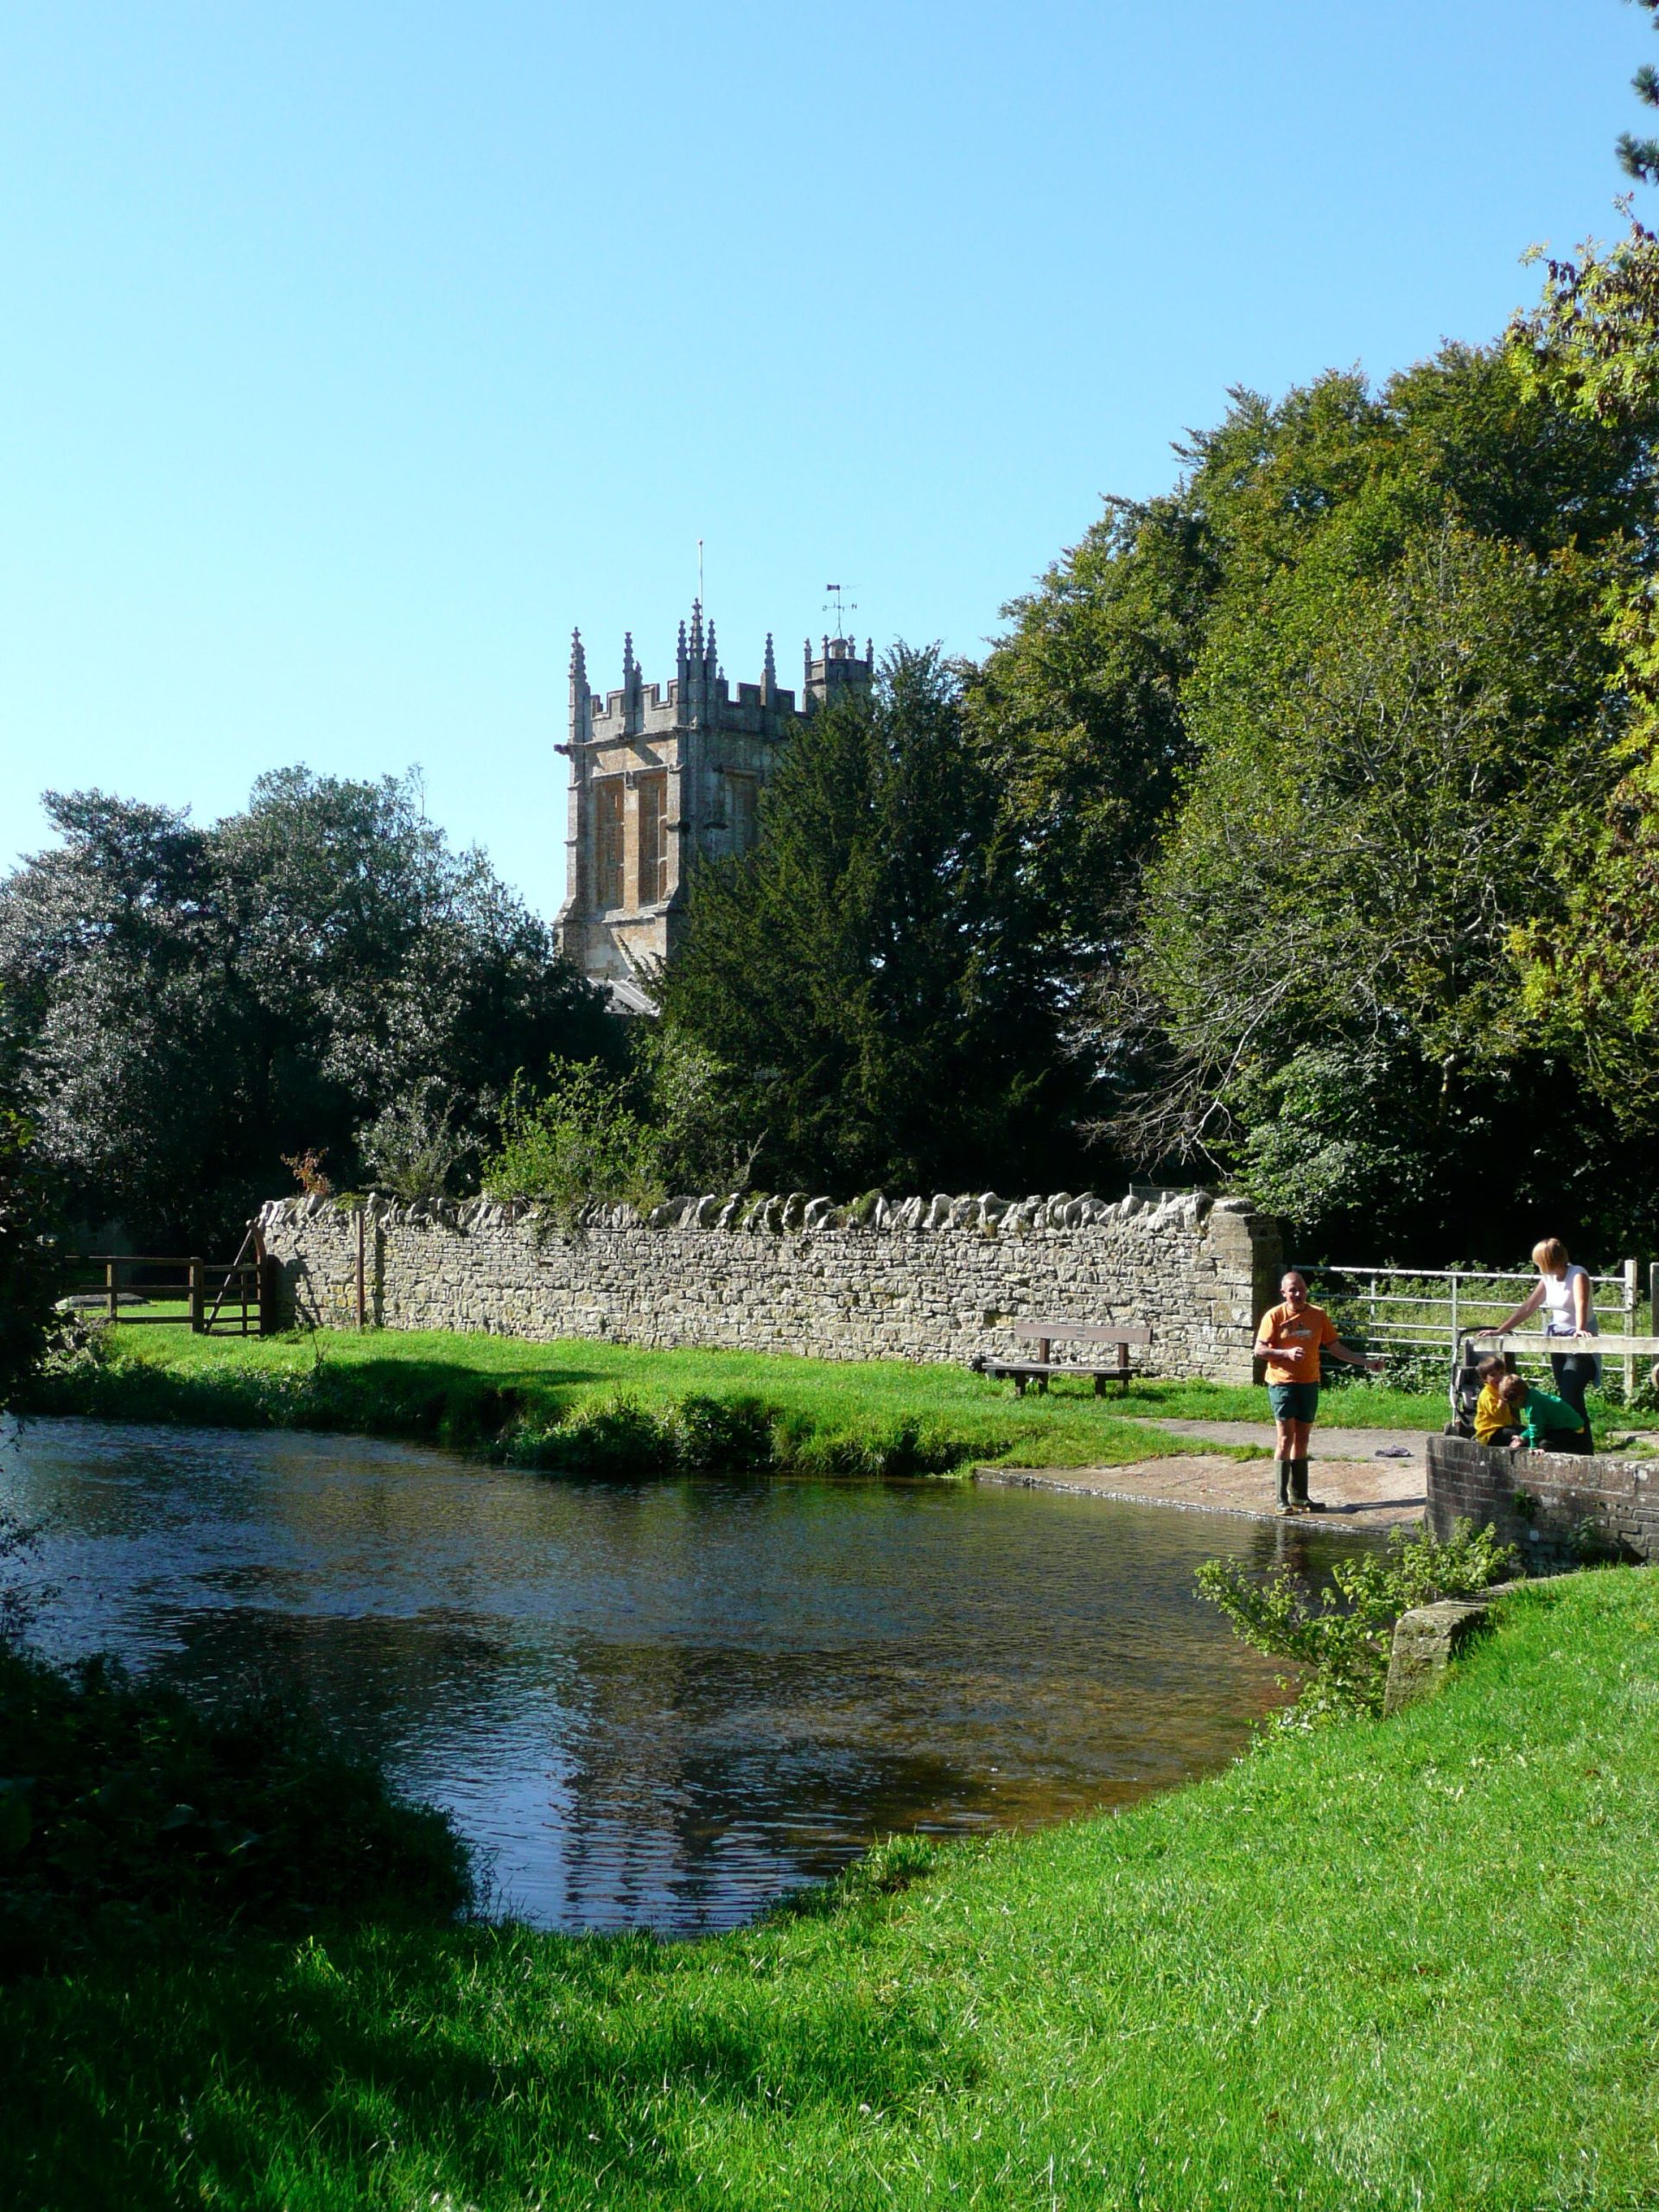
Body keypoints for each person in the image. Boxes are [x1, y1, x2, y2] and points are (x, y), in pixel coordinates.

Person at [1255, 1271, 1382, 1515]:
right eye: (1292, 1290)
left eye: (1301, 1288)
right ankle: (1281, 1499)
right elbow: (1259, 1350)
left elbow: (1335, 1347)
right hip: (1282, 1383)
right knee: (1285, 1438)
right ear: (1284, 1293)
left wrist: (1366, 1363)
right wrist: (1285, 1354)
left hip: (1309, 1383)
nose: (1298, 1294)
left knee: (1302, 1439)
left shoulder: (1318, 1315)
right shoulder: (1274, 1316)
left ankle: (1300, 1497)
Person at [1487, 1238, 1599, 1436]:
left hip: (1577, 1342)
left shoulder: (1577, 1274)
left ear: (1547, 1260)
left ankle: (1577, 1440)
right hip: (1557, 1341)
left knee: (1569, 1394)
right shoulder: (1548, 1279)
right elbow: (1528, 1307)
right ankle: (1578, 1440)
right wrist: (1500, 1330)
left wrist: (1580, 1329)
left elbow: (1581, 1303)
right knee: (1570, 1398)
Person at [1494, 1370, 1592, 1455]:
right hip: (1557, 1428)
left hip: (1571, 1431)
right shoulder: (1532, 1396)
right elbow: (1537, 1426)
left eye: (1512, 1404)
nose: (1512, 1407)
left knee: (1544, 1445)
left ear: (1519, 1399)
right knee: (1532, 1440)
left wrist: (1533, 1447)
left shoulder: (1533, 1405)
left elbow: (1536, 1427)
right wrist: (1523, 1437)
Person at [1473, 1355, 1521, 1446]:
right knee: (1516, 1434)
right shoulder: (1487, 1394)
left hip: (1502, 1427)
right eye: (1493, 1375)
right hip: (1490, 1432)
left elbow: (1506, 1414)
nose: (1499, 1377)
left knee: (1524, 1431)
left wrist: (1514, 1422)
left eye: (1501, 1373)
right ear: (1484, 1378)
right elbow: (1497, 1414)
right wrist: (1502, 1401)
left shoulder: (1499, 1390)